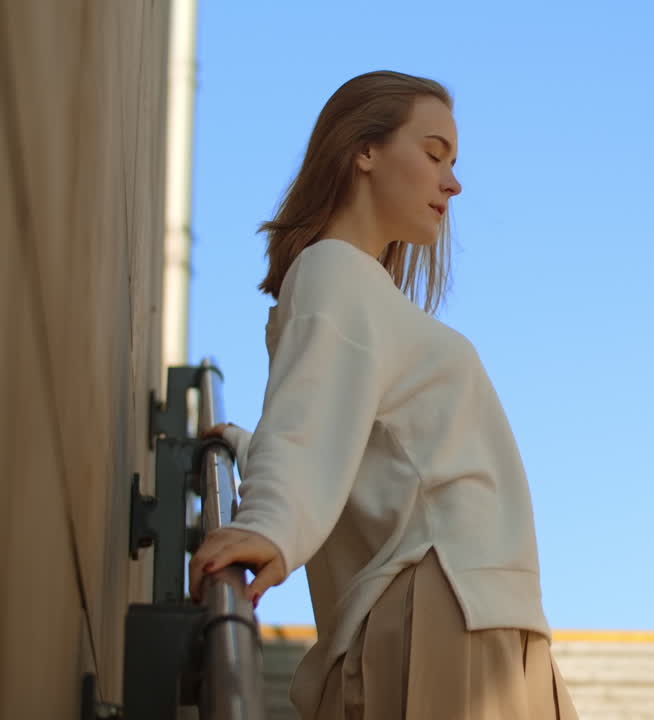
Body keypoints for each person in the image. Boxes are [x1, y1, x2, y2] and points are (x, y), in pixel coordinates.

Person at [188, 70, 577, 720]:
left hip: (481, 612)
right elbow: (310, 431)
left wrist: (245, 451)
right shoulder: (335, 271)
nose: (452, 181)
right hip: (451, 606)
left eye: (453, 162)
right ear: (363, 151)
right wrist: (267, 523)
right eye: (433, 154)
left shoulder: (357, 292)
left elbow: (343, 447)